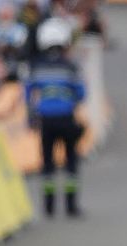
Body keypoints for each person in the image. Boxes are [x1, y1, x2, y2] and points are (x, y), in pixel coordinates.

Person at [25, 18, 85, 217]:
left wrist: (32, 117)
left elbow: (27, 94)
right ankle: (71, 206)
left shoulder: (36, 67)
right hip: (67, 118)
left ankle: (49, 207)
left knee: (48, 163)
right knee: (71, 162)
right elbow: (81, 93)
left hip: (46, 121)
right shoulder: (70, 66)